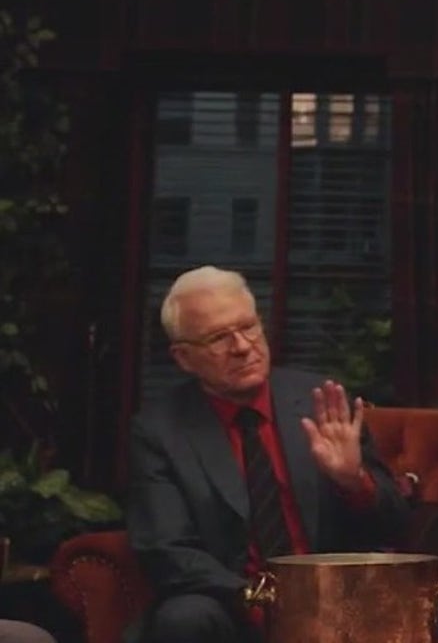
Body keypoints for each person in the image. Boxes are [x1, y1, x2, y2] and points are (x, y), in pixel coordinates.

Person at [125, 266, 407, 643]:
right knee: (184, 617)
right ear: (184, 358)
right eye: (219, 338)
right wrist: (259, 600)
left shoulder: (319, 403)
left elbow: (394, 524)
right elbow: (166, 548)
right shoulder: (161, 430)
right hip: (233, 603)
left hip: (332, 597)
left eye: (249, 327)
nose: (243, 347)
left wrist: (353, 481)